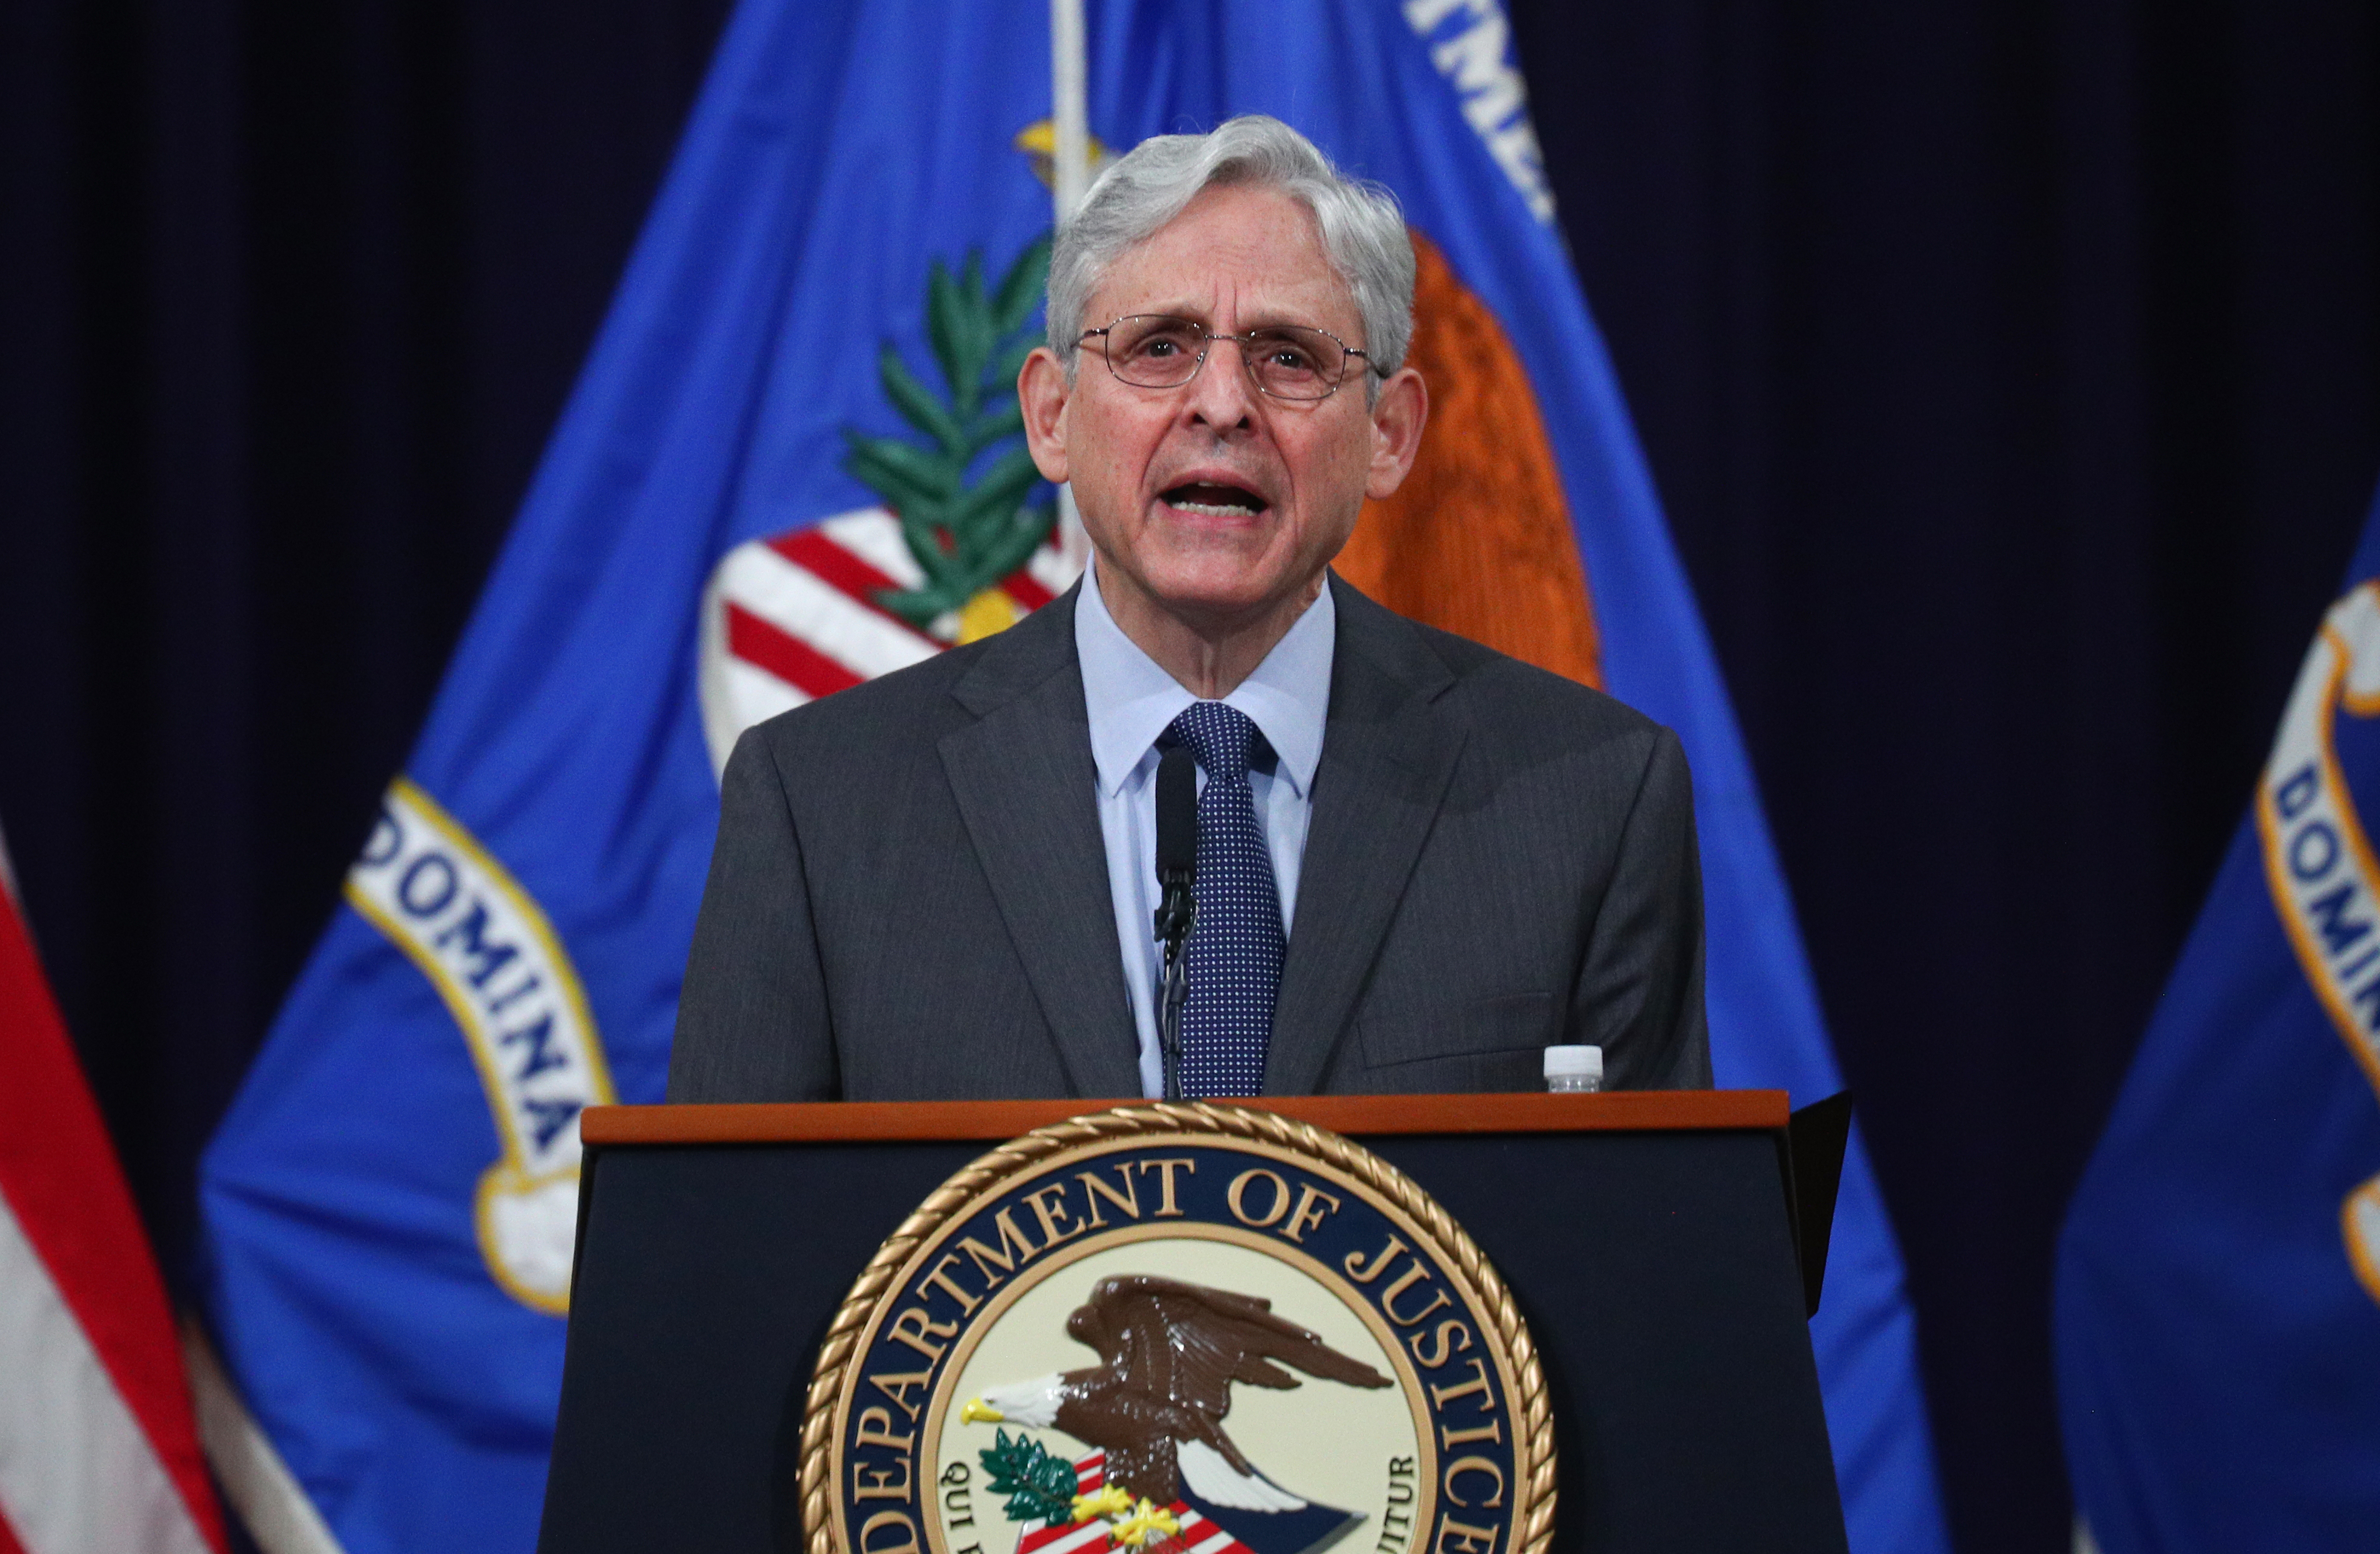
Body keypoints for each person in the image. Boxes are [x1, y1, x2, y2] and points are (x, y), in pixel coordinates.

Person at [668, 115, 1707, 1104]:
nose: (1221, 403)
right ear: (1053, 415)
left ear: (1388, 433)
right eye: (1159, 346)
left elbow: (1657, 1268)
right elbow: (727, 1278)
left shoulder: (1587, 802)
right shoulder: (822, 809)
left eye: (1289, 356)